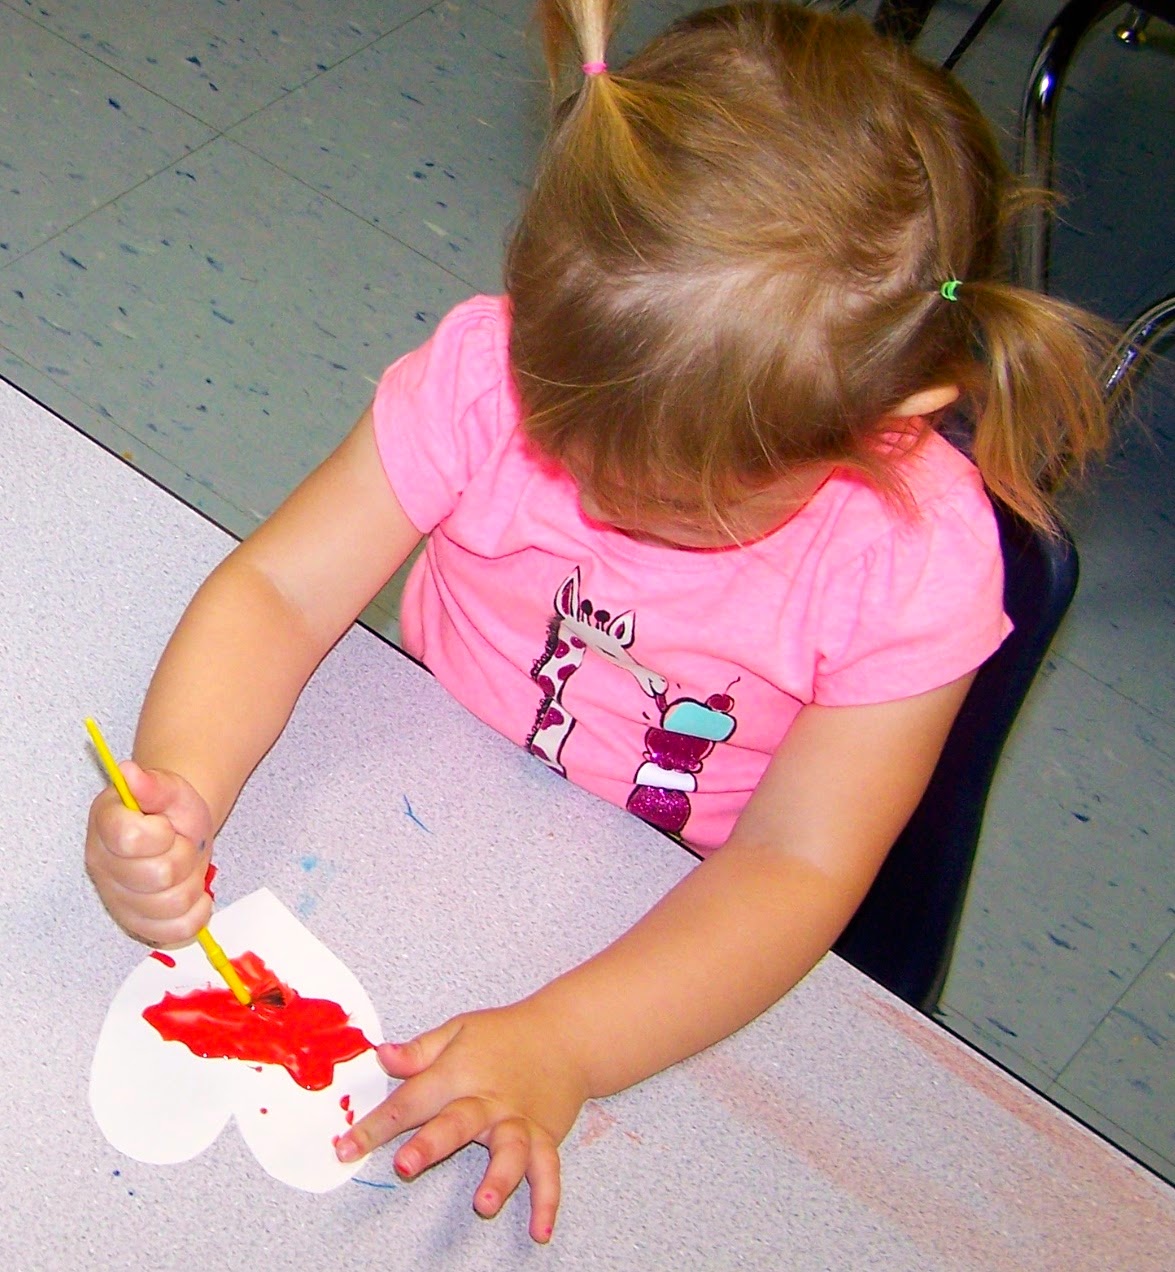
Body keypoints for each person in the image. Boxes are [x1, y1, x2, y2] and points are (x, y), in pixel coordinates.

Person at [85, 0, 1114, 1243]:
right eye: (564, 437)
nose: (599, 501)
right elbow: (280, 591)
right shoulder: (492, 375)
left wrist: (568, 1043)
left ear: (889, 426)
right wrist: (182, 783)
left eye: (673, 500)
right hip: (427, 816)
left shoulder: (905, 561)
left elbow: (795, 868)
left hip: (669, 913)